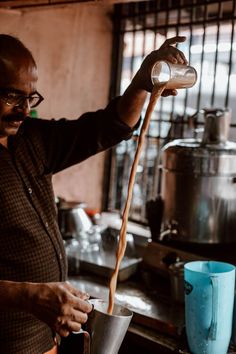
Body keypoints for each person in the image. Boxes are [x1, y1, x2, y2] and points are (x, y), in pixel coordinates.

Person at [0, 33, 187, 353]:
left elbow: (107, 127)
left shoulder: (30, 138)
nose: (24, 110)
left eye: (30, 98)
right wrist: (28, 296)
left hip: (44, 343)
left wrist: (142, 82)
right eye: (11, 96)